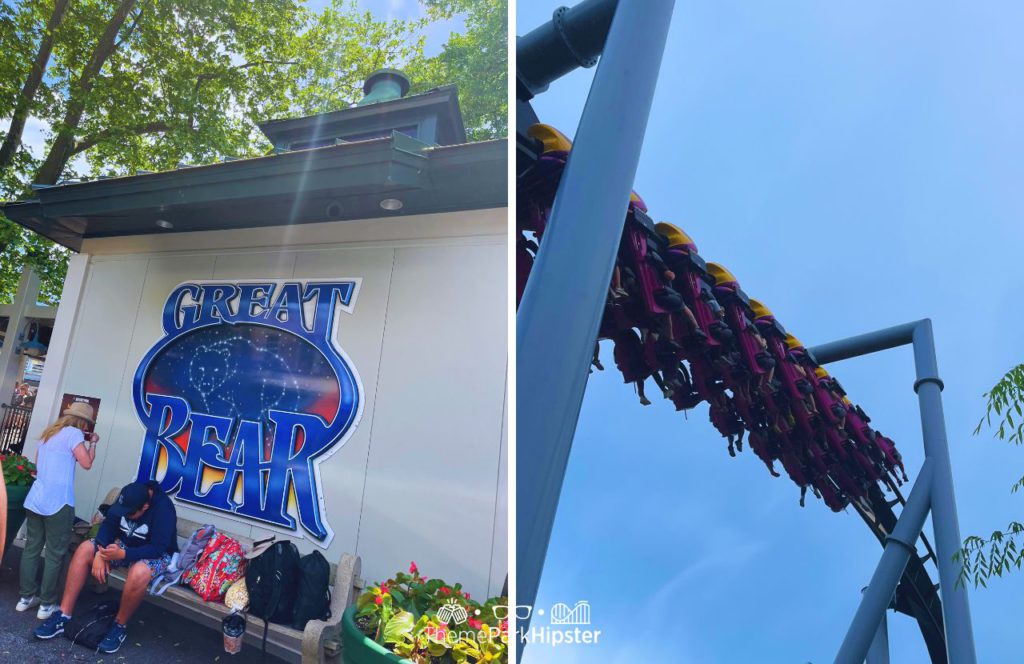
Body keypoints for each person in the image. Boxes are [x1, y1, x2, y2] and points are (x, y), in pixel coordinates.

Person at [34, 480, 178, 654]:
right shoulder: (130, 493)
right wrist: (101, 552)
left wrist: (123, 555)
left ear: (145, 507)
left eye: (130, 514)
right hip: (123, 545)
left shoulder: (164, 508)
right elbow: (109, 525)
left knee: (138, 572)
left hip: (154, 553)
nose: (126, 515)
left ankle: (119, 626)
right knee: (85, 549)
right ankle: (63, 615)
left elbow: (158, 547)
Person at [16, 402, 100, 620]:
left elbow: (38, 464)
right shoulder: (74, 434)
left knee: (31, 549)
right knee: (54, 554)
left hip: (36, 500)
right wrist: (93, 445)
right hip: (59, 503)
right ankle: (46, 605)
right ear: (84, 423)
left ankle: (25, 598)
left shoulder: (49, 434)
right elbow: (87, 463)